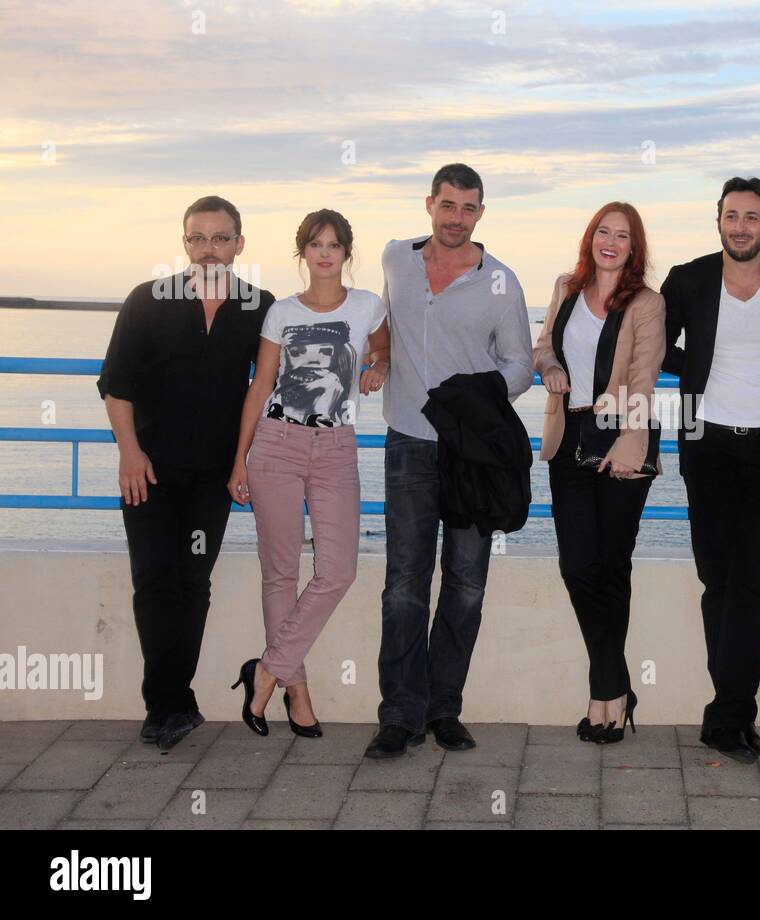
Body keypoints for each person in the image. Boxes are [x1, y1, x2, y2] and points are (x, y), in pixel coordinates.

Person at [365, 163, 533, 760]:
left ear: (480, 213)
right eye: (447, 206)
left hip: (472, 454)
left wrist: (478, 397)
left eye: (467, 208)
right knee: (404, 583)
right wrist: (377, 361)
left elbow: (520, 364)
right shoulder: (395, 259)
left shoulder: (501, 282)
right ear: (429, 204)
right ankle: (399, 714)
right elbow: (375, 322)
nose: (456, 218)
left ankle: (444, 710)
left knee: (465, 583)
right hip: (407, 440)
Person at [97, 195, 274, 750]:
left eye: (221, 239)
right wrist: (129, 452)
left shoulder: (259, 306)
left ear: (239, 245)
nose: (209, 250)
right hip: (147, 470)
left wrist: (380, 356)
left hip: (214, 477)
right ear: (184, 244)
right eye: (198, 238)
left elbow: (271, 380)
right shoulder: (148, 300)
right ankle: (167, 703)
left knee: (192, 581)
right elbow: (115, 383)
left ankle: (174, 701)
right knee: (153, 580)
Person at [661, 177, 760, 764]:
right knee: (718, 582)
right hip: (707, 446)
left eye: (752, 217)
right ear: (720, 222)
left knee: (755, 583)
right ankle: (731, 709)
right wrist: (698, 366)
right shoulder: (689, 277)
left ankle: (731, 714)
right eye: (731, 215)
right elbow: (654, 340)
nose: (741, 226)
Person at [226, 210, 389, 738]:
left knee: (337, 570)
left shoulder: (367, 305)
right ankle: (297, 691)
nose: (325, 253)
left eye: (334, 245)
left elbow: (383, 346)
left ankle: (267, 671)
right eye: (315, 245)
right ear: (303, 253)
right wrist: (239, 461)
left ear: (346, 252)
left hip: (337, 448)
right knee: (280, 573)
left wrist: (378, 365)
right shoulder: (281, 312)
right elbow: (260, 386)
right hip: (276, 444)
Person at [533, 202, 666, 745]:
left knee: (611, 567)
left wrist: (631, 441)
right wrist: (552, 368)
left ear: (635, 248)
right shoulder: (566, 287)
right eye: (603, 233)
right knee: (577, 566)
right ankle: (616, 683)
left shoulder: (646, 303)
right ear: (590, 238)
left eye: (623, 236)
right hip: (569, 441)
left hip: (621, 442)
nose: (611, 242)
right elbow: (543, 345)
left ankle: (603, 698)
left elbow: (644, 373)